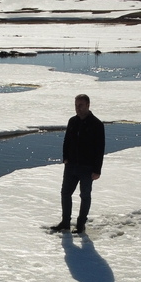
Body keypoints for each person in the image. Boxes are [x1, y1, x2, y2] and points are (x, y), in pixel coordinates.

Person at [51, 94, 105, 234]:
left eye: (80, 105)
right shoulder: (72, 121)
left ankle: (81, 224)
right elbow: (66, 141)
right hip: (71, 165)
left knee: (85, 195)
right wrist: (65, 158)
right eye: (76, 105)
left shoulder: (96, 124)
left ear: (88, 105)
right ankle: (65, 222)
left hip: (87, 167)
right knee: (65, 193)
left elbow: (100, 149)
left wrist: (97, 170)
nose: (77, 108)